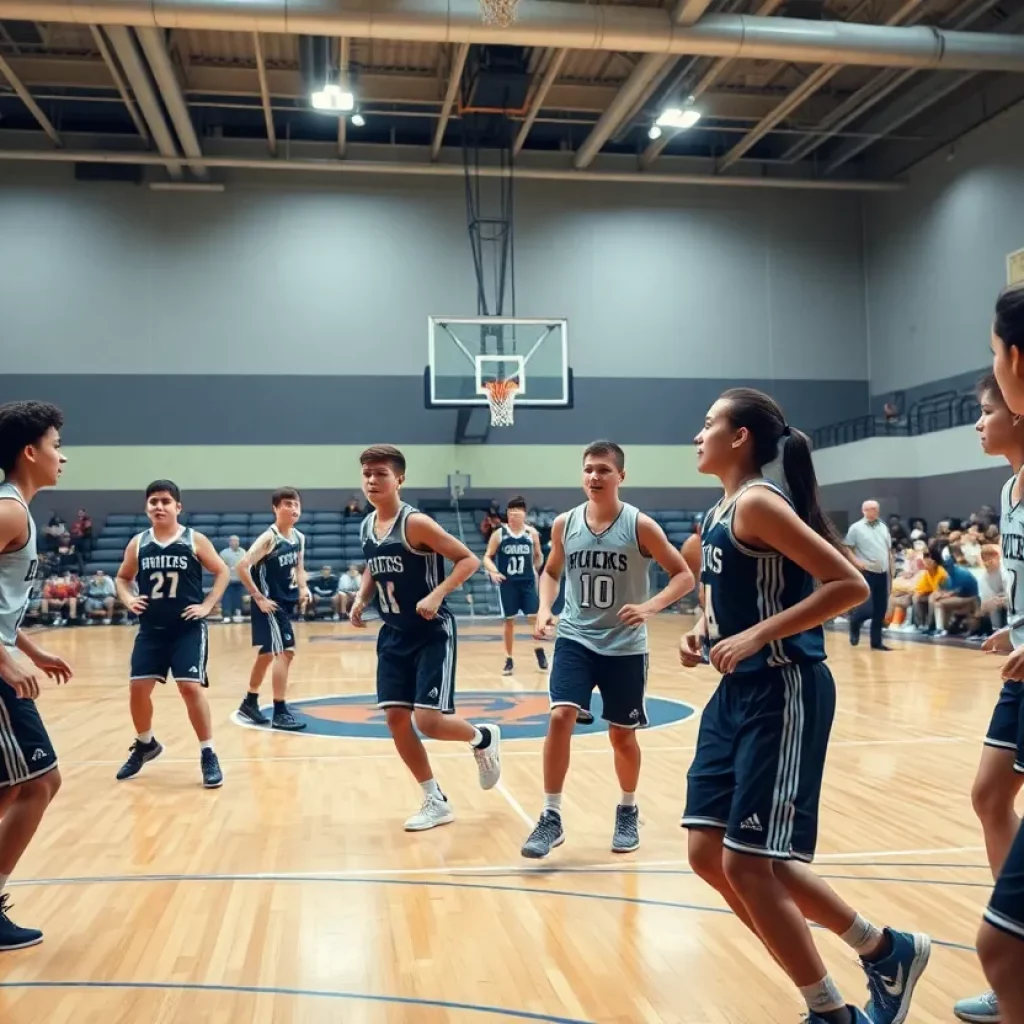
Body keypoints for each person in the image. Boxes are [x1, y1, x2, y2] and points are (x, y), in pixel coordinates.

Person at [679, 388, 930, 1024]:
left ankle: (829, 1009)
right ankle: (883, 949)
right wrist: (706, 634)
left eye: (710, 423)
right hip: (736, 692)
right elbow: (744, 601)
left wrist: (759, 635)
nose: (698, 433)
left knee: (749, 859)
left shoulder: (760, 502)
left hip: (784, 688)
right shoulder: (721, 510)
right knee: (710, 854)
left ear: (740, 438)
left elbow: (848, 584)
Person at [520, 441, 694, 859]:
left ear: (621, 476)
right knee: (561, 715)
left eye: (603, 470)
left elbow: (684, 576)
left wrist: (650, 606)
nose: (594, 477)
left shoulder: (640, 525)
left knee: (621, 735)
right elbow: (552, 571)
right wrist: (545, 607)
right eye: (588, 470)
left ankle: (628, 809)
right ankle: (550, 816)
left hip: (624, 646)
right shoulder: (565, 524)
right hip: (576, 637)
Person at [350, 445, 501, 831]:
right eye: (367, 473)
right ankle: (434, 800)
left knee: (429, 722)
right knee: (396, 720)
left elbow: (467, 559)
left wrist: (437, 594)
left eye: (380, 473)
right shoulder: (368, 525)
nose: (371, 480)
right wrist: (361, 598)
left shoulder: (415, 523)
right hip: (393, 633)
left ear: (399, 479)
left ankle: (482, 737)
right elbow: (373, 565)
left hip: (431, 632)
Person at [962, 283, 1024, 1024]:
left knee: (998, 944)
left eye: (984, 408)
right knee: (987, 796)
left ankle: (1012, 960)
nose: (980, 421)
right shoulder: (1009, 492)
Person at [0, 401, 72, 950]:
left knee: (12, 789)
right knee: (39, 781)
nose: (62, 456)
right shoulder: (9, 511)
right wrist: (4, 657)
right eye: (55, 445)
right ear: (30, 452)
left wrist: (32, 647)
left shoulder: (17, 509)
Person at [114, 480, 229, 789]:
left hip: (187, 629)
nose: (159, 506)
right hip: (151, 630)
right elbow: (123, 578)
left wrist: (207, 605)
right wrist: (128, 599)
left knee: (190, 688)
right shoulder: (138, 543)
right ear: (146, 507)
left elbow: (222, 571)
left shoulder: (194, 539)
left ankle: (208, 753)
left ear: (178, 507)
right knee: (138, 689)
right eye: (153, 501)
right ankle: (146, 743)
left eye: (165, 501)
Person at [235, 488, 310, 730]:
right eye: (287, 504)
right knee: (286, 652)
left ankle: (250, 702)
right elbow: (242, 566)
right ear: (276, 509)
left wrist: (303, 588)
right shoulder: (269, 538)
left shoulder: (299, 537)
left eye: (296, 504)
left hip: (286, 602)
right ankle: (280, 711)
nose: (294, 509)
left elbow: (299, 568)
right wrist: (258, 597)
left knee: (268, 653)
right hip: (270, 604)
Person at [482, 496, 548, 676]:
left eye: (517, 513)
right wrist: (494, 571)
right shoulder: (499, 534)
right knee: (509, 621)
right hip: (508, 584)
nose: (513, 517)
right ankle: (509, 658)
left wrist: (536, 568)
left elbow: (539, 555)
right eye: (510, 513)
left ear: (524, 515)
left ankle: (539, 649)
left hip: (527, 582)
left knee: (534, 618)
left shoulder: (531, 533)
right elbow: (487, 556)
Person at [844, 500, 893, 651]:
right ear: (863, 510)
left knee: (880, 607)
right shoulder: (856, 528)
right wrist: (857, 563)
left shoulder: (883, 526)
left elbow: (888, 549)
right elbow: (847, 548)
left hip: (882, 571)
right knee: (867, 606)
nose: (873, 512)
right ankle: (855, 621)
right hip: (866, 571)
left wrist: (892, 569)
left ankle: (876, 642)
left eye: (875, 509)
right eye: (869, 509)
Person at [218, 536, 246, 623]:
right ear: (230, 542)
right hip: (227, 580)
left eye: (237, 541)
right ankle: (226, 615)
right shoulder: (224, 553)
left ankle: (237, 614)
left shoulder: (243, 552)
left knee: (238, 599)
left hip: (239, 580)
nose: (235, 543)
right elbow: (220, 566)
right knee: (227, 599)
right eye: (233, 541)